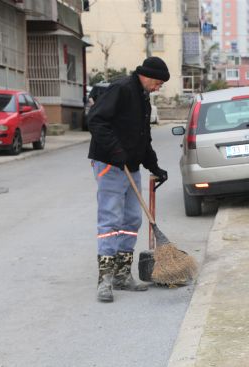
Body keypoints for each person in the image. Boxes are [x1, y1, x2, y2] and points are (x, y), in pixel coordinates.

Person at [88, 56, 170, 302]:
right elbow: (96, 120)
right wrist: (116, 151)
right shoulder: (122, 89)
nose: (158, 88)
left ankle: (123, 275)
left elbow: (143, 138)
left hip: (130, 166)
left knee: (131, 220)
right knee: (110, 221)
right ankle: (105, 280)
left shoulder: (143, 98)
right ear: (148, 76)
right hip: (110, 165)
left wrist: (154, 165)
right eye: (158, 83)